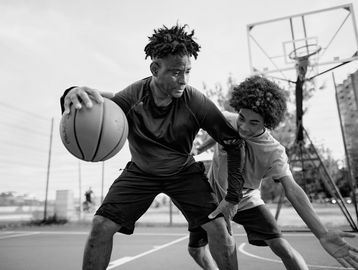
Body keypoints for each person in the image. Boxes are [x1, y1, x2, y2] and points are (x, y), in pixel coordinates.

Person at [60, 24, 244, 270]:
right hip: (141, 172)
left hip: (182, 173)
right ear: (155, 69)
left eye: (188, 71)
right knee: (101, 227)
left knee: (220, 230)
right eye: (176, 72)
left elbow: (233, 142)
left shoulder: (195, 101)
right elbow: (97, 104)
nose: (184, 79)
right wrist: (70, 93)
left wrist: (233, 197)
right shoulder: (133, 96)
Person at [188, 75, 358, 270]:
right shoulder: (228, 120)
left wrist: (322, 233)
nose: (243, 127)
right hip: (212, 196)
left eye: (254, 123)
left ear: (267, 123)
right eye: (242, 118)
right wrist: (200, 149)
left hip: (246, 200)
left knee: (281, 246)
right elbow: (217, 131)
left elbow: (292, 190)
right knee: (196, 250)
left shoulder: (274, 151)